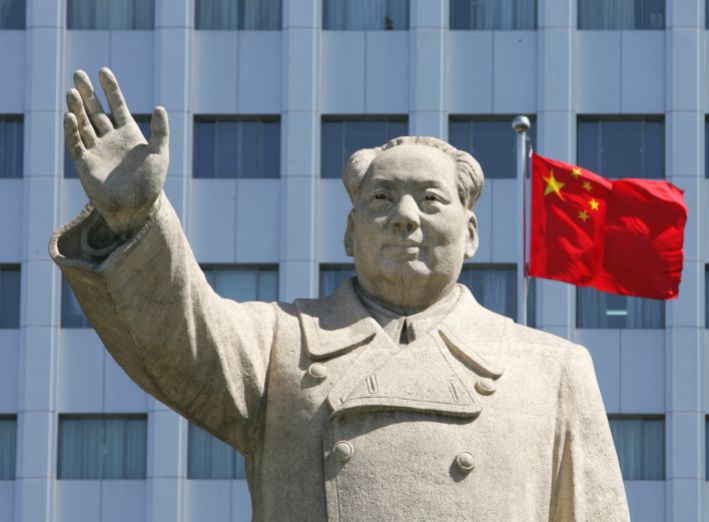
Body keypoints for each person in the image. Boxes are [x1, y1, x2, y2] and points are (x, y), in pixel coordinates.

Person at [51, 68, 630, 521]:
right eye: (381, 199)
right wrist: (135, 217)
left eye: (430, 199)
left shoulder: (552, 370)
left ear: (471, 234)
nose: (404, 217)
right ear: (351, 233)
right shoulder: (282, 341)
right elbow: (180, 333)